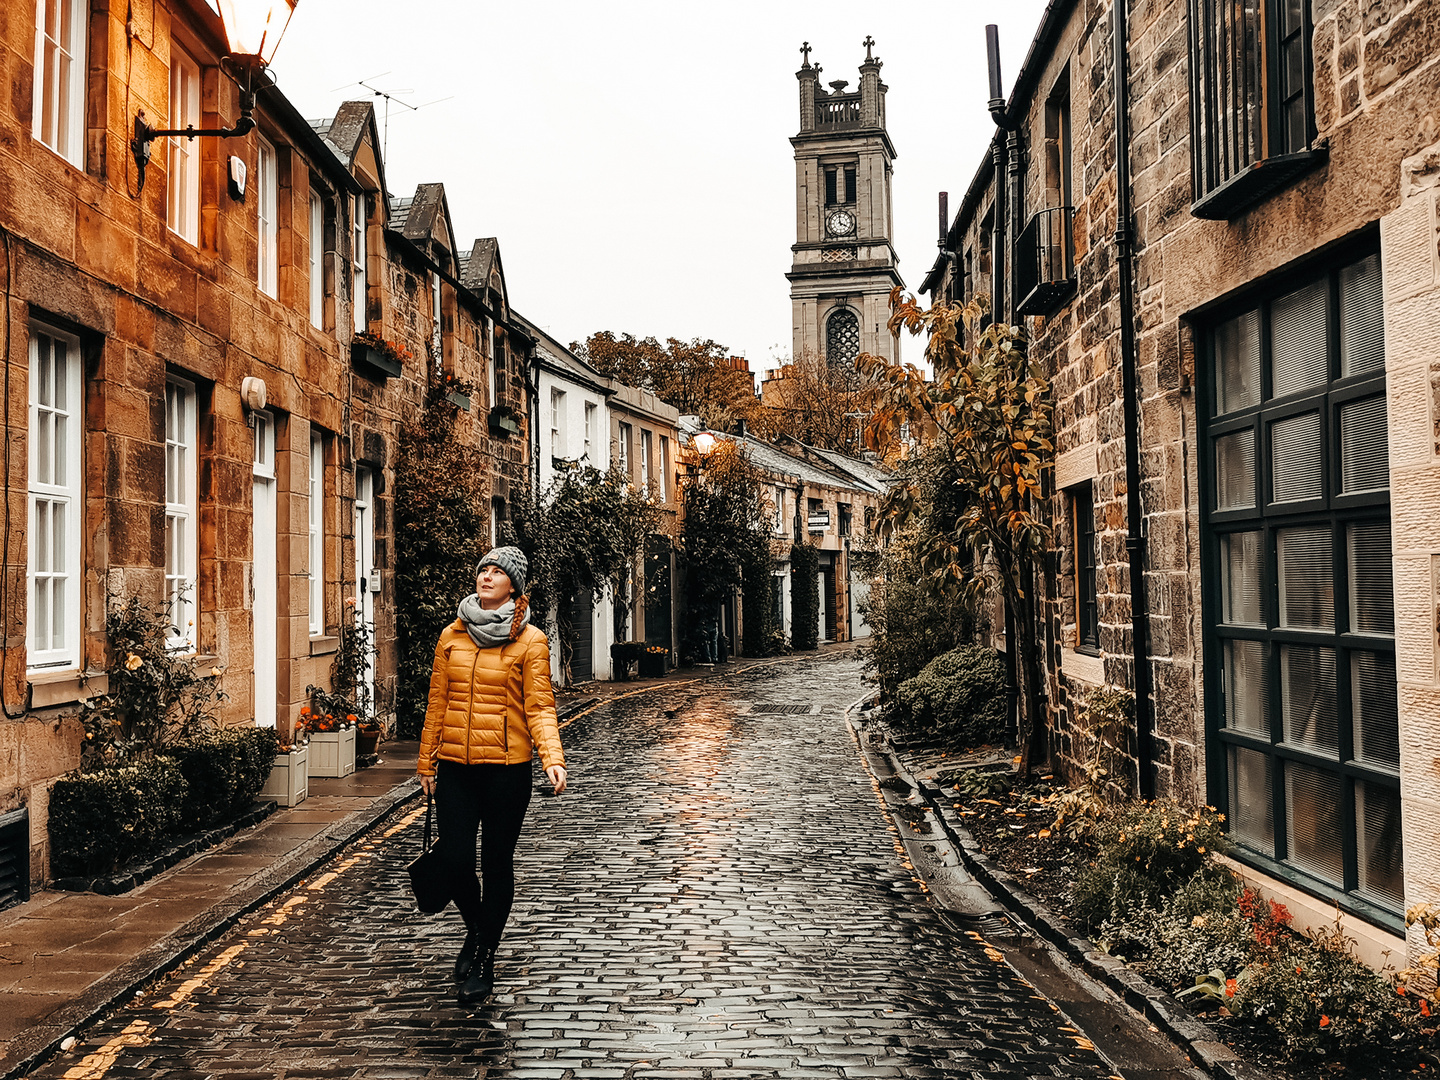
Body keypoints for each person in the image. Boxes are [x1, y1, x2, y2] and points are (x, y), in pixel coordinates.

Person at [416, 546, 567, 1006]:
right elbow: (437, 703)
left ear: (513, 587)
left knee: (496, 864)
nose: (487, 576)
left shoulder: (531, 640)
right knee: (457, 860)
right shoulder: (452, 635)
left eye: (498, 572)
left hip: (508, 771)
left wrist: (552, 756)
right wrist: (426, 762)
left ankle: (484, 956)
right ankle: (479, 929)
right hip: (457, 769)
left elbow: (539, 705)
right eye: (484, 569)